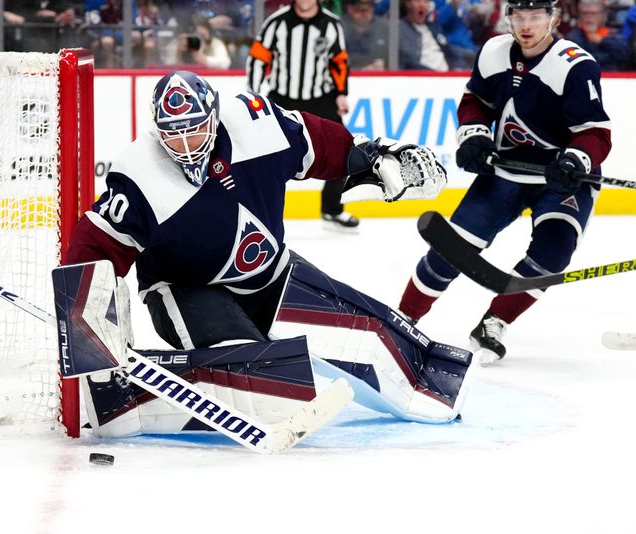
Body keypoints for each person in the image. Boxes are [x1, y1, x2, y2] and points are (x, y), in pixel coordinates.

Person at [64, 71, 469, 439]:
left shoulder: (256, 122)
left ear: (216, 116)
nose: (186, 144)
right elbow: (92, 249)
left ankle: (427, 382)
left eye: (196, 128)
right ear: (157, 129)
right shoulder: (138, 175)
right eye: (174, 133)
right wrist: (86, 329)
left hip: (273, 274)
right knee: (269, 385)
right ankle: (127, 402)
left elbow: (318, 142)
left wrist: (377, 155)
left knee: (390, 351)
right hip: (188, 291)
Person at [397, 0, 612, 365]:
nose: (527, 25)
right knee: (453, 249)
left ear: (553, 18)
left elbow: (595, 133)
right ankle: (403, 319)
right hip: (506, 172)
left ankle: (495, 321)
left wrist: (576, 158)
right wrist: (474, 133)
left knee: (553, 253)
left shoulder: (576, 66)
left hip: (561, 181)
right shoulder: (494, 52)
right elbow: (475, 101)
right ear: (508, 18)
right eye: (520, 17)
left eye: (536, 17)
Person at [246, 0, 359, 233]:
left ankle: (332, 209)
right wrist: (253, 94)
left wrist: (341, 94)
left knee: (345, 149)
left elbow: (339, 62)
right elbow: (258, 58)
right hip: (283, 97)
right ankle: (260, 213)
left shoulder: (331, 24)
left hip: (321, 97)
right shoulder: (276, 23)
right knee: (263, 155)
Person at [566, 0, 630, 71]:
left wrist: (600, 40)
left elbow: (624, 56)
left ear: (604, 15)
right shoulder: (573, 36)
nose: (588, 17)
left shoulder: (614, 34)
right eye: (584, 13)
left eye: (593, 13)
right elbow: (580, 61)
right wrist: (609, 57)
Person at [399, 0, 455, 71]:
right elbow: (407, 61)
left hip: (449, 77)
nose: (422, 5)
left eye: (425, 1)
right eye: (417, 1)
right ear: (407, 3)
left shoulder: (434, 27)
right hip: (423, 78)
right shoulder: (399, 28)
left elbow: (452, 54)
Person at [342, 0, 389, 71]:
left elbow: (398, 62)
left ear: (373, 9)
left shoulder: (385, 29)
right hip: (348, 78)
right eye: (358, 10)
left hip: (381, 78)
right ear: (349, 9)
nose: (363, 14)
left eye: (366, 10)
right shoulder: (338, 28)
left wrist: (385, 66)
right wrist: (360, 71)